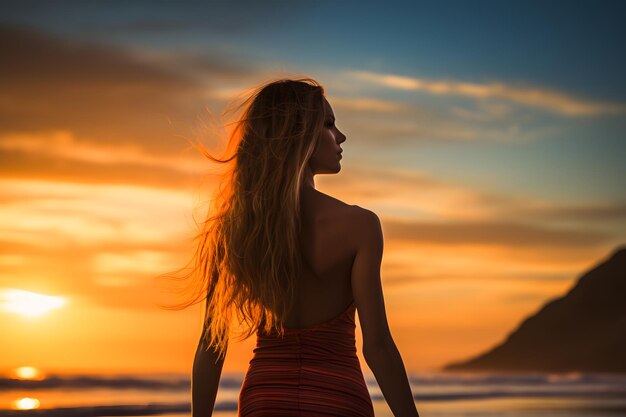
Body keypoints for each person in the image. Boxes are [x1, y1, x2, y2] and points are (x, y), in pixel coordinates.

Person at [166, 77, 419, 416]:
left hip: (265, 399)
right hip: (338, 399)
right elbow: (378, 348)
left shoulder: (240, 229)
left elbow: (212, 346)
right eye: (328, 124)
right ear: (299, 135)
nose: (340, 136)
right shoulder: (360, 226)